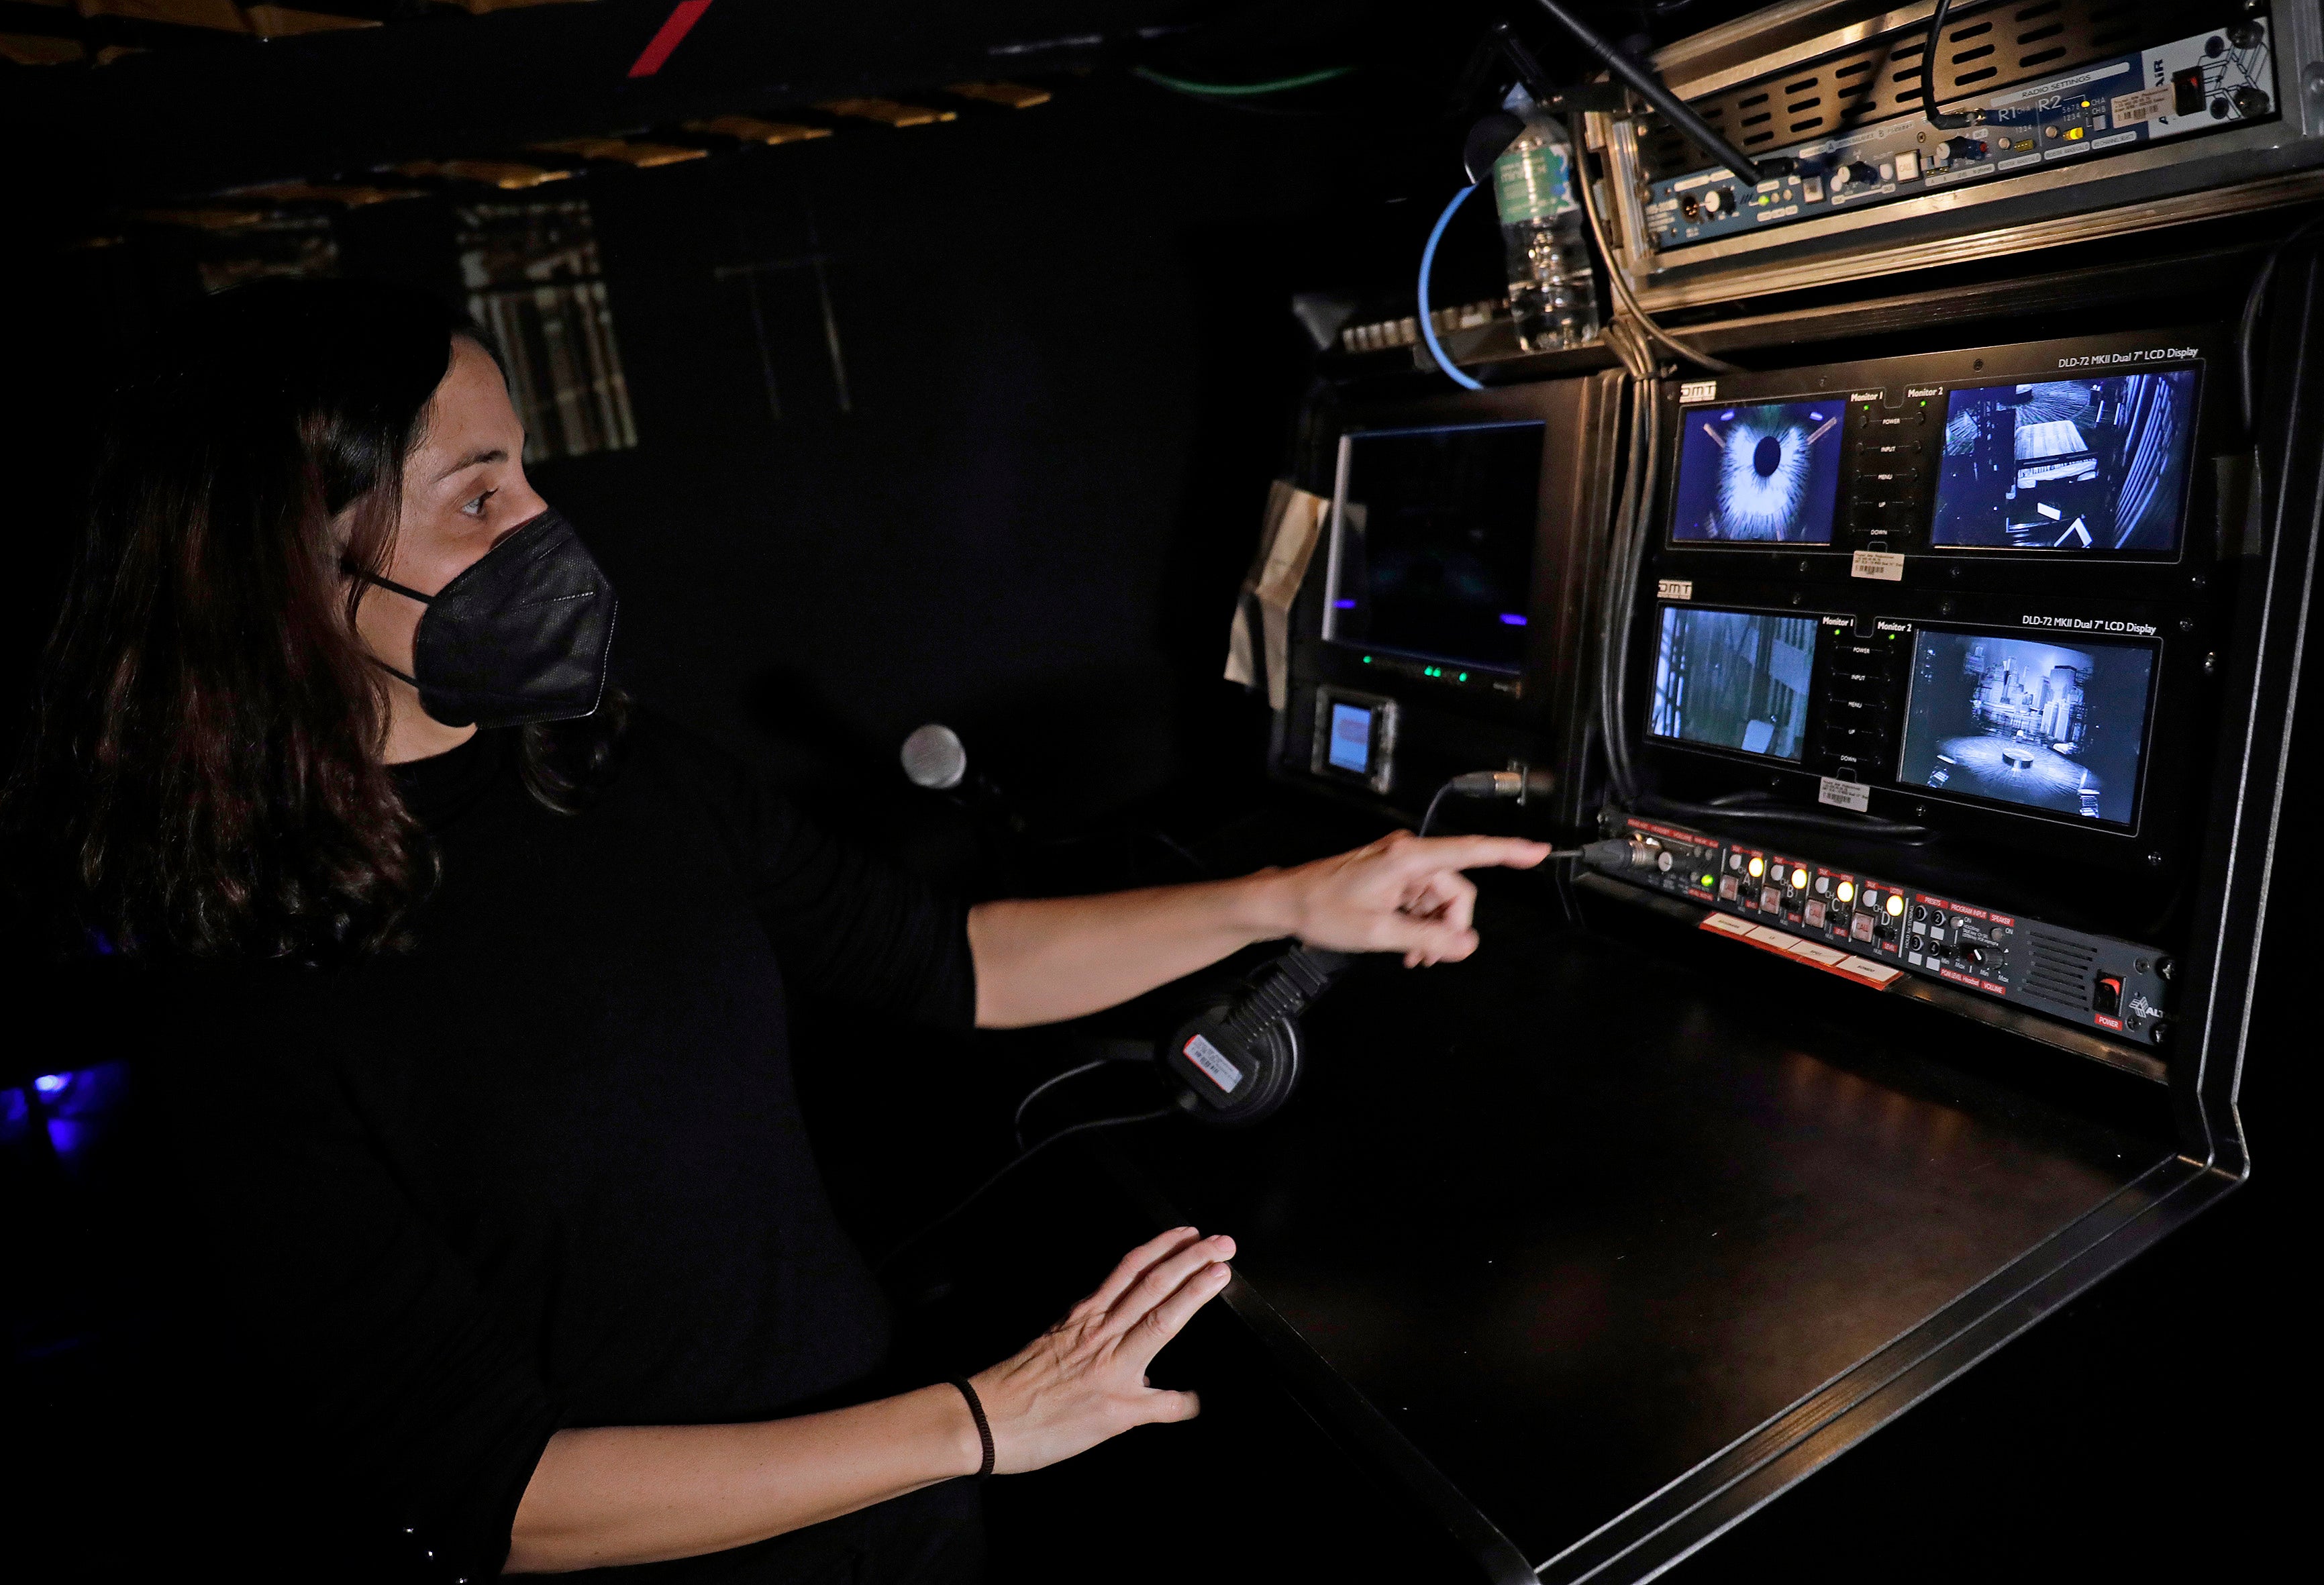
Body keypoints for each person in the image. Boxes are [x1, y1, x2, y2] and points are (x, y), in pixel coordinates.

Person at [1, 280, 1547, 1581]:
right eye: (480, 497)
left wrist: (1287, 898)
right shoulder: (240, 1006)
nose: (548, 525)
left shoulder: (620, 769)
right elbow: (495, 1492)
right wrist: (985, 1416)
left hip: (910, 1493)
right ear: (280, 576)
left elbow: (950, 961)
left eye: (528, 471)